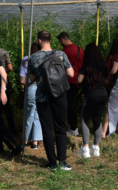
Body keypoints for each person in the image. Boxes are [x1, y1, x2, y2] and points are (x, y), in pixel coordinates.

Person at [28, 30, 75, 171]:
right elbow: (71, 74)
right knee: (61, 128)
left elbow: (31, 79)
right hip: (59, 96)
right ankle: (63, 162)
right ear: (50, 40)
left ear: (39, 41)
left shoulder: (34, 57)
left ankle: (53, 163)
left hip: (42, 98)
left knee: (47, 129)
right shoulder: (60, 55)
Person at [76, 43, 108, 159]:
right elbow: (106, 79)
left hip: (90, 95)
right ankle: (96, 147)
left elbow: (79, 80)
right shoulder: (103, 65)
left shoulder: (86, 66)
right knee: (97, 120)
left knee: (85, 119)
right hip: (103, 94)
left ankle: (85, 148)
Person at [0, 32, 18, 138]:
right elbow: (10, 67)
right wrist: (3, 73)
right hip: (3, 82)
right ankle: (12, 130)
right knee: (7, 108)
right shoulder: (4, 52)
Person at [56, 32, 84, 136]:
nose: (60, 43)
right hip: (78, 80)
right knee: (72, 103)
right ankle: (72, 126)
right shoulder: (80, 49)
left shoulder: (63, 52)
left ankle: (73, 127)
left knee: (68, 105)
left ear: (62, 40)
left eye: (60, 41)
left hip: (67, 80)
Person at [20, 43, 42, 150]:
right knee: (38, 116)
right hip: (41, 89)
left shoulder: (26, 60)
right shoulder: (43, 59)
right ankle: (36, 142)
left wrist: (29, 83)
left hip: (30, 90)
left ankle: (25, 140)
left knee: (28, 115)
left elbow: (22, 80)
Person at [101, 40, 118, 138]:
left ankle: (109, 126)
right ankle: (115, 123)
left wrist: (106, 79)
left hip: (111, 83)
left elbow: (107, 69)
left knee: (110, 106)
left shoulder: (111, 57)